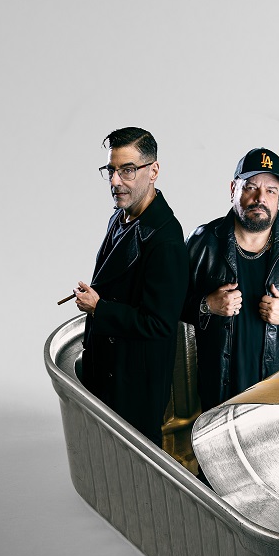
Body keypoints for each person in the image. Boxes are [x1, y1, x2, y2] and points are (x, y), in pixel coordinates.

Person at [183, 148, 279, 411]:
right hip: (217, 393)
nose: (260, 198)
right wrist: (206, 305)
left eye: (271, 190)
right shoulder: (203, 242)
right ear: (233, 189)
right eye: (251, 188)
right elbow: (170, 304)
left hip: (278, 396)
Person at [73, 127, 188, 446]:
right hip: (107, 372)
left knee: (132, 466)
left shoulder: (165, 239)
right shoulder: (119, 217)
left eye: (127, 170)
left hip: (135, 386)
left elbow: (160, 324)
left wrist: (100, 308)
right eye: (110, 170)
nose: (115, 181)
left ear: (153, 171)